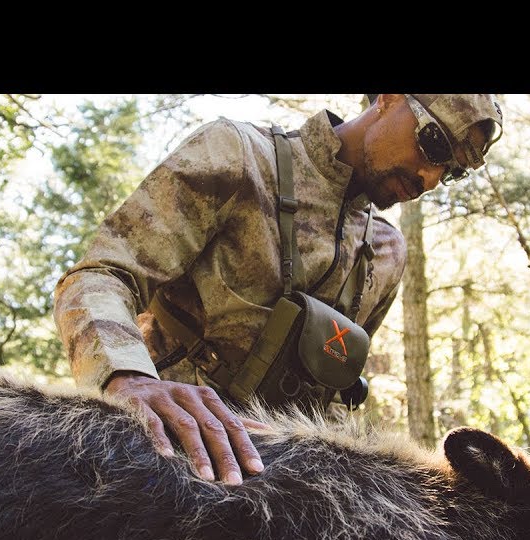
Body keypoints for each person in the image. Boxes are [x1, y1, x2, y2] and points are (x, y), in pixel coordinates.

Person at [54, 94, 503, 487]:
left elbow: (331, 395)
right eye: (434, 143)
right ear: (386, 98)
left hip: (275, 495)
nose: (430, 177)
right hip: (158, 457)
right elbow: (101, 275)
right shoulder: (238, 155)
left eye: (452, 171)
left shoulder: (387, 252)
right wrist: (128, 379)